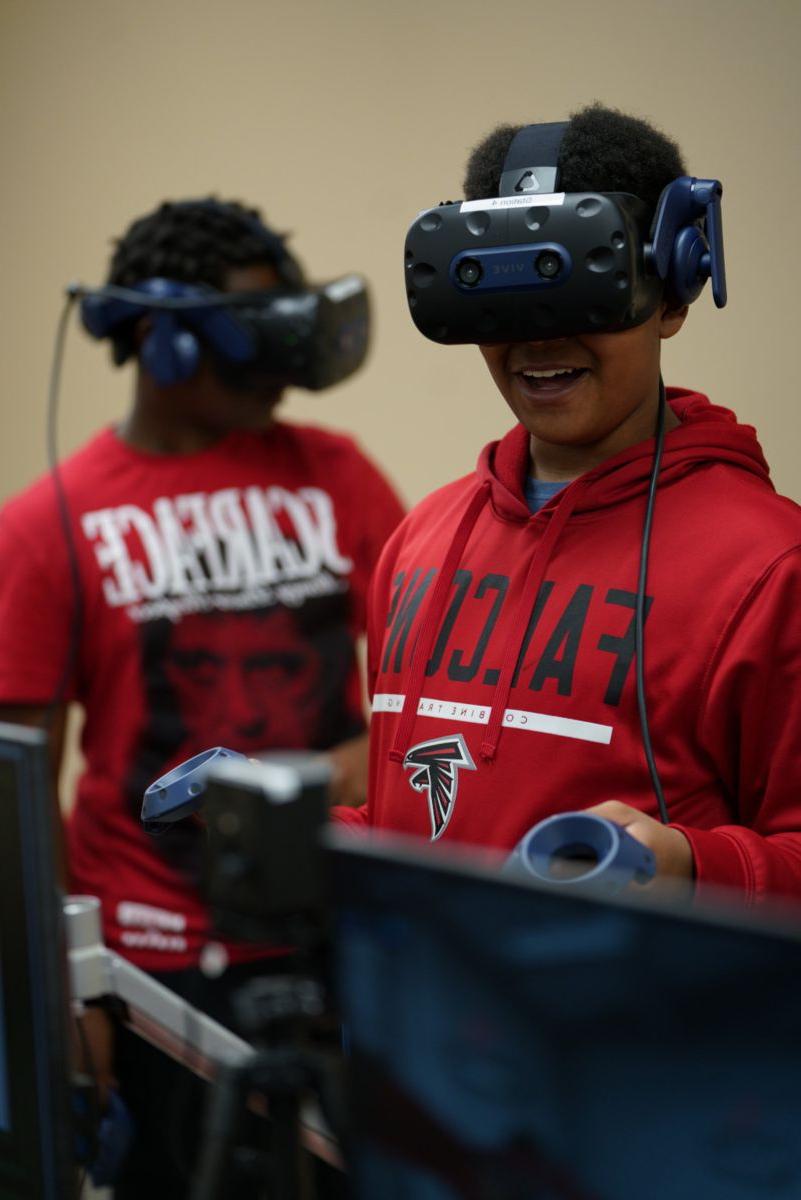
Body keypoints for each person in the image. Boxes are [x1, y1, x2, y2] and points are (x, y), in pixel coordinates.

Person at [0, 197, 404, 1194]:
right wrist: (63, 993)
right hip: (150, 968)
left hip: (329, 940)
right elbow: (18, 794)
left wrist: (290, 782)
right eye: (250, 337)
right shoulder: (46, 525)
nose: (279, 370)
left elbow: (417, 712)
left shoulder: (338, 477)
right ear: (158, 339)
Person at [335, 102, 801, 908]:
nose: (539, 341)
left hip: (636, 1032)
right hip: (416, 1025)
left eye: (578, 291)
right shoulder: (420, 539)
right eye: (500, 299)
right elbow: (412, 820)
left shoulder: (768, 568)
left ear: (673, 292)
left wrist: (692, 866)